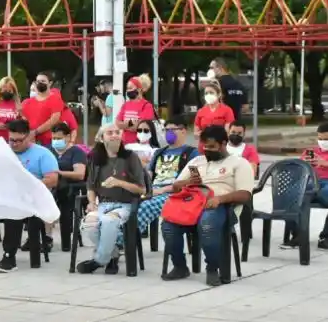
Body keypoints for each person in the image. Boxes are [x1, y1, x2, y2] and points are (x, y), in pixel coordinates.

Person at [162, 125, 254, 286]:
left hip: (221, 207)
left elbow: (245, 194)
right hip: (191, 205)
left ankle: (212, 268)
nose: (207, 150)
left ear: (223, 143)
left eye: (211, 147)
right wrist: (189, 182)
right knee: (168, 225)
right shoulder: (197, 161)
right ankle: (180, 266)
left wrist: (220, 199)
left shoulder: (239, 163)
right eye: (204, 146)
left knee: (207, 224)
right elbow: (176, 186)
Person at [0, 119, 59, 272]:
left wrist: (28, 185)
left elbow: (52, 180)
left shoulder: (43, 154)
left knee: (15, 210)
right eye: (11, 140)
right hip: (7, 196)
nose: (14, 144)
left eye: (19, 140)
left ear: (29, 137)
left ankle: (9, 257)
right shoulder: (3, 153)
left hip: (34, 198)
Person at [77, 124, 147, 274]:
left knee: (109, 221)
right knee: (89, 223)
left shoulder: (130, 157)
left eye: (117, 132)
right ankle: (113, 256)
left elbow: (141, 189)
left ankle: (99, 261)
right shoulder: (95, 159)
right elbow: (90, 186)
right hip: (103, 203)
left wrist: (119, 182)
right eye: (110, 133)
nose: (115, 135)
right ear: (102, 138)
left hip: (125, 204)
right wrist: (91, 202)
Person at [118, 116, 198, 245]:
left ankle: (121, 243)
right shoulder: (159, 153)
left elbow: (194, 180)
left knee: (144, 206)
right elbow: (148, 175)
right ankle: (115, 238)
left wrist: (163, 190)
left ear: (183, 131)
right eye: (166, 130)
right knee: (124, 204)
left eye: (173, 130)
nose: (169, 133)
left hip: (175, 193)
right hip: (153, 189)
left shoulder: (192, 153)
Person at [50, 122, 88, 251]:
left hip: (70, 188)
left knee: (63, 199)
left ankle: (65, 241)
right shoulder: (48, 151)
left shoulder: (76, 152)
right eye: (54, 138)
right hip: (50, 185)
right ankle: (46, 238)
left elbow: (80, 174)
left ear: (67, 137)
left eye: (59, 138)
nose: (56, 141)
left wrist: (59, 173)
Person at [300, 122, 328, 248]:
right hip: (312, 183)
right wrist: (305, 165)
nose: (322, 142)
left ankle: (325, 237)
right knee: (294, 196)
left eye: (326, 139)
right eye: (320, 139)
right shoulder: (310, 152)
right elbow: (298, 171)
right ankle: (298, 236)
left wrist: (325, 163)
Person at [22, 72, 64, 146]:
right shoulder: (27, 102)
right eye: (38, 81)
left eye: (43, 81)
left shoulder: (55, 99)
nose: (40, 83)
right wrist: (29, 134)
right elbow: (23, 119)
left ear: (50, 83)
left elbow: (54, 120)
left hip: (49, 142)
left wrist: (35, 132)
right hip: (31, 141)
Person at [116, 74, 155, 145]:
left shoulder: (147, 106)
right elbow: (117, 124)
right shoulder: (125, 105)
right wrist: (131, 123)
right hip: (124, 144)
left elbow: (139, 127)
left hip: (140, 145)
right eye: (127, 88)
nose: (128, 90)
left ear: (139, 89)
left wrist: (125, 125)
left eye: (130, 88)